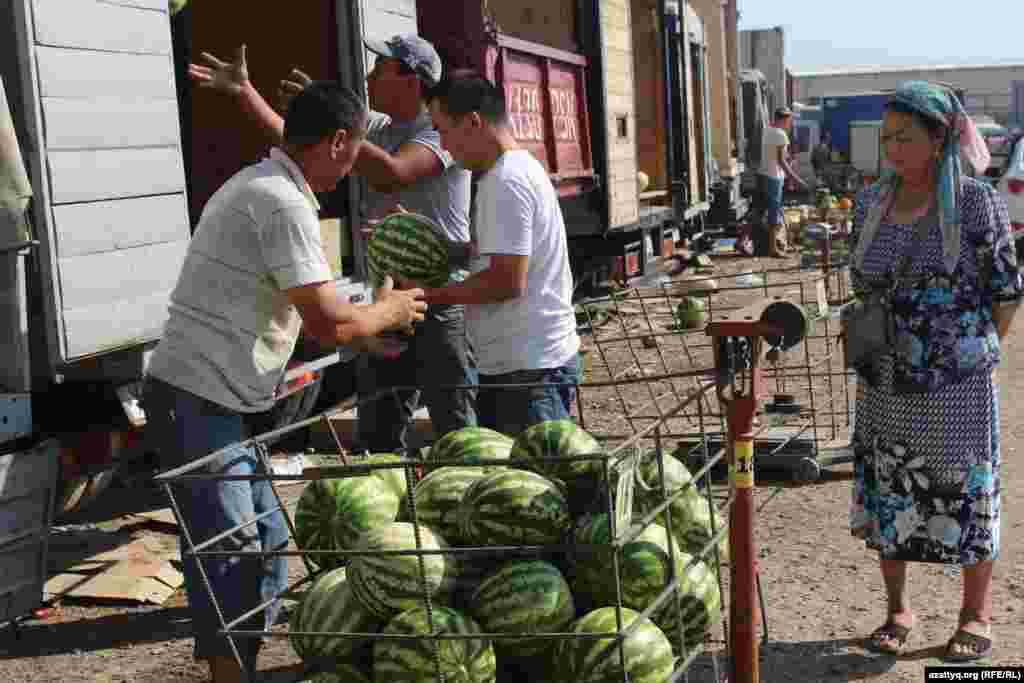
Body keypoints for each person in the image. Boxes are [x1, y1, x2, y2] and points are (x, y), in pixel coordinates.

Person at [142, 82, 427, 683]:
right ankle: (231, 674)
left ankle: (241, 662)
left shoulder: (265, 187)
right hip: (196, 396)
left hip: (215, 396)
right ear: (338, 141)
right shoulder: (281, 202)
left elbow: (293, 308)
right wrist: (391, 311)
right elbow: (326, 322)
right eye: (354, 154)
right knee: (233, 549)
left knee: (268, 543)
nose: (353, 169)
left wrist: (366, 328)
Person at [188, 36, 476, 453]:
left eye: (381, 68)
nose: (369, 75)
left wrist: (335, 126)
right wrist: (249, 93)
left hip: (437, 300)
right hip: (387, 299)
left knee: (457, 430)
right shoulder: (377, 127)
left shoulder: (438, 133)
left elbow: (391, 173)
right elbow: (300, 145)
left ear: (412, 81)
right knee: (378, 430)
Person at [847, 81, 1021, 662]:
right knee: (888, 492)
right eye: (888, 137)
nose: (894, 148)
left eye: (907, 137)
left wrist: (970, 356)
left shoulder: (975, 201)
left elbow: (1005, 291)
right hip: (885, 381)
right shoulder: (872, 201)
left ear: (940, 137)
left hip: (956, 389)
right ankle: (898, 608)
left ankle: (976, 613)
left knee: (967, 494)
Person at [410, 72, 581, 436]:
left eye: (443, 130)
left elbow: (505, 281)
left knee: (534, 488)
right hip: (529, 367)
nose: (443, 145)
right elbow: (491, 256)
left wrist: (425, 297)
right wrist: (424, 242)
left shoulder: (505, 182)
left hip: (527, 376)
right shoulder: (518, 168)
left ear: (473, 122)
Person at [757, 106, 808, 256]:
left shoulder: (766, 130)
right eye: (789, 120)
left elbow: (774, 156)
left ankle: (773, 245)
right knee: (774, 211)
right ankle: (773, 249)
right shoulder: (780, 134)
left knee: (768, 211)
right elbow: (781, 161)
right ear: (785, 119)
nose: (790, 123)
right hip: (774, 176)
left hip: (764, 174)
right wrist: (796, 179)